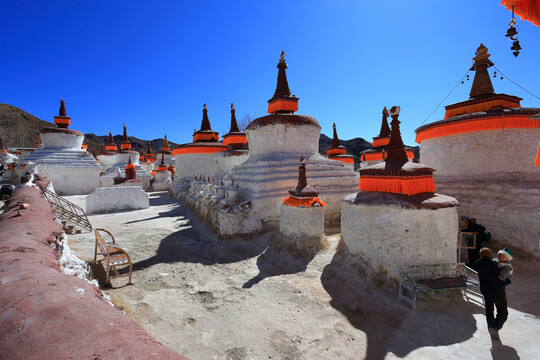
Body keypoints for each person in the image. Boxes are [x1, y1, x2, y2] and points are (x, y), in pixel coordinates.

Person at [476, 247, 513, 340]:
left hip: (486, 291)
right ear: (491, 255)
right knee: (503, 312)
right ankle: (496, 327)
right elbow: (502, 279)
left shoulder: (478, 263)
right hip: (498, 292)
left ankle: (490, 325)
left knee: (489, 309)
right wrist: (506, 280)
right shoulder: (495, 267)